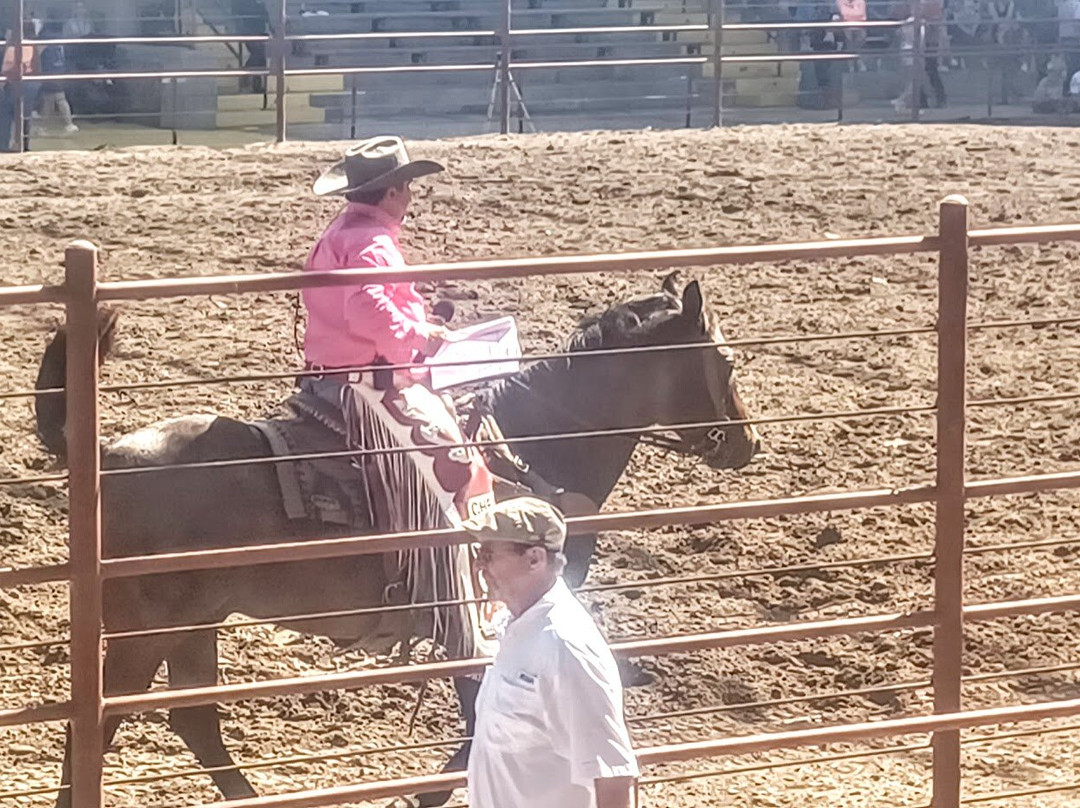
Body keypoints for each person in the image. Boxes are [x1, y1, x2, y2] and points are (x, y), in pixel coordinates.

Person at [302, 136, 494, 657]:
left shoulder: (344, 232)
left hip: (330, 374)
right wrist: (419, 337)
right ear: (390, 192)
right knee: (455, 468)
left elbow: (361, 305)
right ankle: (455, 606)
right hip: (363, 386)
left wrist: (414, 323)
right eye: (407, 187)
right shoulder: (373, 242)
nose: (410, 196)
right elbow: (368, 309)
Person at [465, 497, 638, 808]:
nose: (480, 565)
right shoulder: (518, 626)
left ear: (534, 559)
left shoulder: (564, 647)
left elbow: (613, 775)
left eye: (488, 553)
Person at [1, 20, 38, 152]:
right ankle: (24, 144)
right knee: (24, 116)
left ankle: (3, 145)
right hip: (31, 84)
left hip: (15, 85)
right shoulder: (34, 45)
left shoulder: (14, 47)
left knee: (5, 115)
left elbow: (8, 67)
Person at [33, 24, 78, 134]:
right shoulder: (59, 44)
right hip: (59, 72)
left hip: (49, 74)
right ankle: (48, 126)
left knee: (54, 99)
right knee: (54, 99)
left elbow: (37, 57)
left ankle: (67, 124)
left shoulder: (45, 44)